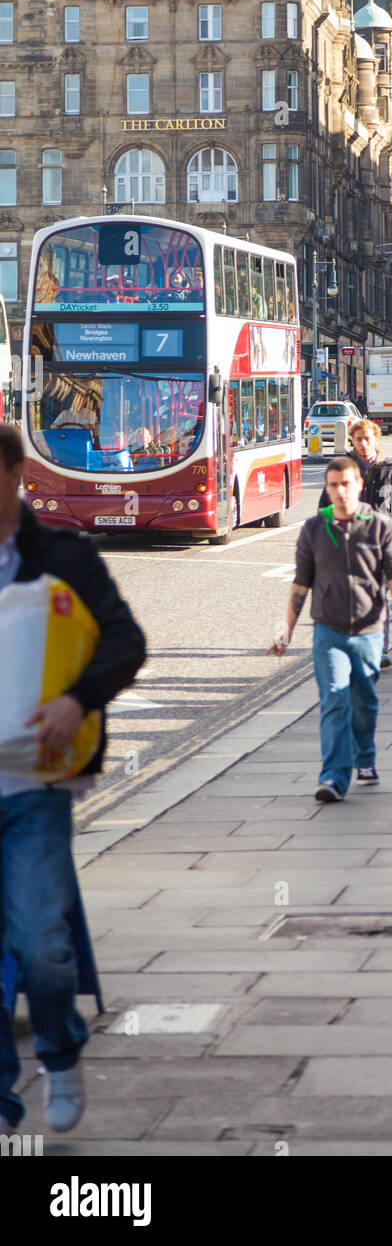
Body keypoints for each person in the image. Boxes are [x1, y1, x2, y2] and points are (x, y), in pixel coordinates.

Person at [0, 424, 147, 1136]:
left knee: (42, 947)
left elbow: (127, 642)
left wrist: (76, 699)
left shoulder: (62, 556)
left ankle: (60, 1056)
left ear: (13, 473)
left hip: (34, 789)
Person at [272, 456, 392, 799]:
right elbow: (301, 584)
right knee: (334, 698)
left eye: (346, 483)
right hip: (328, 631)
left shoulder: (379, 526)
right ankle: (333, 777)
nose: (339, 491)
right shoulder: (314, 529)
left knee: (364, 701)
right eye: (333, 485)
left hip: (368, 630)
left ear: (359, 485)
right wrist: (286, 630)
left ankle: (365, 758)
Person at [319, 419, 392, 668]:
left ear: (376, 439)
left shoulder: (391, 469)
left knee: (379, 598)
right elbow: (325, 506)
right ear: (352, 441)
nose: (363, 444)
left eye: (367, 438)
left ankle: (379, 649)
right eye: (358, 439)